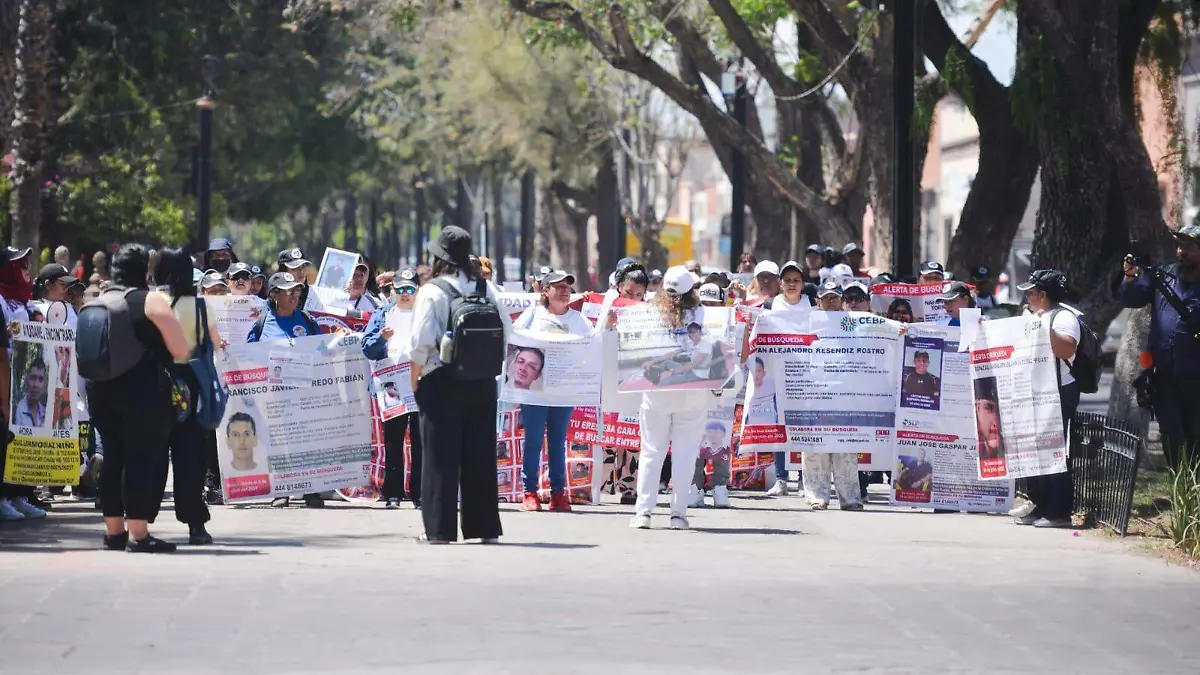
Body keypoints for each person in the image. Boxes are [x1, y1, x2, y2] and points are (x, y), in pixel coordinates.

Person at [408, 226, 511, 543]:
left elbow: (421, 341)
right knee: (479, 456)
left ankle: (439, 530)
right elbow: (506, 330)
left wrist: (415, 379)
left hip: (442, 379)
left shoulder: (432, 290)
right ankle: (484, 529)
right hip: (481, 381)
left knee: (439, 457)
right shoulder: (484, 287)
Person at [86, 244, 191, 552]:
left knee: (114, 458)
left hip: (101, 390)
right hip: (142, 392)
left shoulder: (100, 300)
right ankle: (139, 535)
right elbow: (180, 348)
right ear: (144, 270)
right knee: (140, 460)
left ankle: (115, 533)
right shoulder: (150, 300)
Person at [629, 266, 728, 531]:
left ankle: (643, 512)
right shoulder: (703, 314)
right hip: (691, 393)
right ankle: (677, 514)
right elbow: (715, 350)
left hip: (657, 391)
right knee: (685, 455)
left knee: (651, 451)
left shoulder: (648, 311)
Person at [1119, 225, 1200, 469]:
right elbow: (1131, 298)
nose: (1181, 250)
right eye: (1179, 245)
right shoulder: (1163, 276)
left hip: (1196, 378)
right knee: (1171, 436)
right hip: (1164, 376)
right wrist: (1130, 276)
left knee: (1196, 436)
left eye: (1189, 247)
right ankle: (1181, 490)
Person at [155, 246, 221, 545]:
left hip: (159, 384)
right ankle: (196, 523)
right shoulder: (200, 307)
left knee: (154, 454)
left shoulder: (157, 303)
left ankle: (142, 516)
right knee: (190, 457)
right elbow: (215, 344)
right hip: (191, 385)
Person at [513, 269, 591, 512]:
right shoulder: (533, 314)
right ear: (545, 291)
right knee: (534, 440)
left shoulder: (578, 319)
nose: (565, 290)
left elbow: (594, 345)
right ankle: (530, 492)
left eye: (568, 285)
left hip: (563, 391)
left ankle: (558, 493)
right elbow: (514, 337)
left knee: (558, 442)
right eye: (558, 286)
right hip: (535, 391)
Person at [248, 272, 325, 508]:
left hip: (304, 393)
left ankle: (312, 488)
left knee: (307, 440)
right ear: (273, 295)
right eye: (288, 291)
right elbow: (248, 355)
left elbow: (322, 350)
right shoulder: (261, 324)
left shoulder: (308, 321)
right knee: (279, 442)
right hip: (275, 395)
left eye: (297, 291)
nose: (294, 295)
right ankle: (282, 489)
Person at [1014, 269, 1080, 528]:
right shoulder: (1030, 315)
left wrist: (1045, 328)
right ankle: (1039, 504)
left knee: (1054, 450)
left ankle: (1059, 512)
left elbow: (1066, 348)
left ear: (1043, 294)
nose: (1027, 298)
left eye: (1030, 293)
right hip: (1034, 390)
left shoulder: (1065, 317)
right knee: (1034, 450)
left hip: (1058, 392)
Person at [361, 268, 423, 509]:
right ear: (392, 290)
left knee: (421, 441)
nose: (405, 294)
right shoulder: (383, 313)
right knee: (393, 441)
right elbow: (367, 348)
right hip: (393, 385)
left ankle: (420, 494)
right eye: (400, 290)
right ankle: (393, 493)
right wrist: (382, 338)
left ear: (417, 291)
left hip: (419, 382)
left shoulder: (425, 314)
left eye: (410, 289)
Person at [802, 281, 863, 510]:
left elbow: (873, 336)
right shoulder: (807, 321)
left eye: (834, 297)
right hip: (814, 393)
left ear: (841, 300)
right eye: (825, 297)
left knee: (845, 449)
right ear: (818, 301)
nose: (830, 301)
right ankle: (817, 496)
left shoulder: (852, 322)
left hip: (845, 395)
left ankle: (850, 498)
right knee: (815, 449)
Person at [0, 245, 50, 519]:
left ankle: (20, 493)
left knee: (23, 441)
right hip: (6, 379)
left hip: (24, 381)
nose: (27, 270)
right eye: (20, 265)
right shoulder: (0, 301)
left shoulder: (26, 301)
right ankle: (4, 496)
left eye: (27, 264)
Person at [277, 248, 325, 312]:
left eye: (303, 266)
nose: (301, 271)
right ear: (283, 271)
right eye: (295, 268)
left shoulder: (317, 295)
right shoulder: (274, 296)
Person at [13, 358, 47, 427]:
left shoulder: (45, 413)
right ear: (27, 381)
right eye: (33, 378)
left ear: (44, 385)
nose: (36, 385)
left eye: (40, 379)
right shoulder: (17, 410)